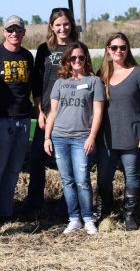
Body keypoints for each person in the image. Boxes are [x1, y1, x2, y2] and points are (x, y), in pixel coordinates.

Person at [23, 7, 79, 214]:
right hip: (47, 111)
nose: (62, 28)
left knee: (68, 160)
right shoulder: (44, 49)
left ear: (71, 24)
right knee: (38, 158)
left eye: (65, 24)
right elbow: (37, 82)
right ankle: (34, 202)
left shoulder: (78, 48)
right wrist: (39, 110)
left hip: (70, 113)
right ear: (51, 27)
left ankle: (68, 204)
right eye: (58, 25)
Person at [44, 42, 104, 235]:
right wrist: (47, 137)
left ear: (86, 59)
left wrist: (91, 137)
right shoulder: (60, 83)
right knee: (67, 180)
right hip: (60, 137)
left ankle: (88, 218)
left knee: (82, 179)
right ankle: (74, 218)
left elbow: (98, 111)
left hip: (81, 138)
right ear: (67, 61)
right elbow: (53, 112)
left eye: (81, 57)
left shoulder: (94, 82)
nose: (77, 61)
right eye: (73, 58)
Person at [0, 15, 34, 230]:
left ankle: (5, 211)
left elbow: (30, 87)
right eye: (10, 30)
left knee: (13, 170)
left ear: (23, 33)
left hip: (23, 119)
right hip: (2, 119)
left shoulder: (27, 56)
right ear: (3, 32)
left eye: (18, 30)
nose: (14, 33)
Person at [97, 32, 140, 230]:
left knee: (132, 175)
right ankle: (105, 210)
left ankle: (130, 214)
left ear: (128, 49)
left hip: (132, 135)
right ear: (108, 50)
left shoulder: (139, 73)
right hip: (107, 138)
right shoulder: (101, 75)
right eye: (114, 48)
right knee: (103, 177)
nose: (118, 51)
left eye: (122, 47)